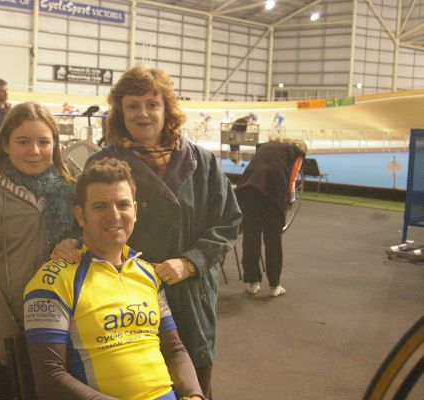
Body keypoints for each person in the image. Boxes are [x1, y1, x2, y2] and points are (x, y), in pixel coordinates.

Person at [52, 64, 242, 398]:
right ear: (121, 112)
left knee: (195, 385)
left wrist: (191, 261)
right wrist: (68, 242)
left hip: (190, 294)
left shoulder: (202, 162)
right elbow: (81, 218)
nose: (143, 113)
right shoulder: (102, 163)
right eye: (133, 105)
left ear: (167, 109)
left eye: (152, 104)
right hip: (126, 302)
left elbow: (228, 221)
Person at [24, 157, 204, 400]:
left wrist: (194, 394)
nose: (114, 216)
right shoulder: (53, 280)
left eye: (123, 205)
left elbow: (174, 350)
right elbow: (49, 377)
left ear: (135, 211)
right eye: (100, 207)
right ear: (80, 215)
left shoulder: (148, 273)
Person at [0, 102, 76, 400]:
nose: (34, 151)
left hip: (52, 328)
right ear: (5, 144)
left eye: (43, 142)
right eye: (23, 141)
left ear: (55, 145)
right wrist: (8, 340)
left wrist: (75, 241)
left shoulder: (67, 190)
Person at [235, 136, 307, 297]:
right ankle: (275, 285)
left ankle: (252, 283)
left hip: (248, 190)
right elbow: (292, 180)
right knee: (273, 240)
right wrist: (290, 201)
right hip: (273, 193)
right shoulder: (296, 153)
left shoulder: (264, 147)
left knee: (250, 238)